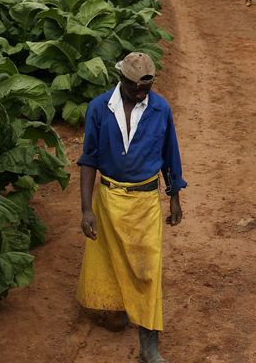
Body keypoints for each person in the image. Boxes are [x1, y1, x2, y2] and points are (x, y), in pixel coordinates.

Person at [77, 52, 185, 363]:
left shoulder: (160, 109)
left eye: (147, 88)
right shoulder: (99, 108)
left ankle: (149, 346)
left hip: (145, 202)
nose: (142, 93)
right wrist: (87, 209)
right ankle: (117, 309)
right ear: (122, 79)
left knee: (147, 270)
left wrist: (174, 193)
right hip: (109, 200)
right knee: (111, 260)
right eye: (137, 87)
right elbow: (89, 160)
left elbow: (170, 153)